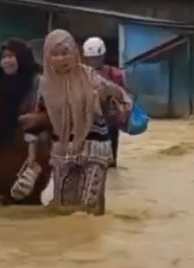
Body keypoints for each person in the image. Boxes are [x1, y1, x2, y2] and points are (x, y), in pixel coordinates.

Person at [20, 30, 130, 216]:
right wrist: (32, 157)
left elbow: (116, 95)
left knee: (90, 207)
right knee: (64, 207)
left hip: (94, 146)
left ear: (75, 53)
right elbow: (38, 119)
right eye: (55, 54)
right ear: (47, 57)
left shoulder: (90, 76)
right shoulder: (44, 85)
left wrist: (120, 106)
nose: (61, 58)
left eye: (66, 52)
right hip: (63, 150)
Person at [0, 38, 49, 205]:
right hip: (1, 152)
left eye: (11, 56)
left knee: (30, 205)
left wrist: (37, 119)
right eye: (3, 57)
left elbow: (56, 114)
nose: (6, 61)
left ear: (22, 57)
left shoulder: (39, 83)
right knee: (6, 205)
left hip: (31, 153)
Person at [82, 36, 125, 167]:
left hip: (109, 120)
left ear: (103, 56)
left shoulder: (115, 74)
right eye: (91, 59)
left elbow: (121, 96)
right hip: (87, 120)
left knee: (109, 163)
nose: (94, 62)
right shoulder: (79, 73)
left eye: (96, 58)